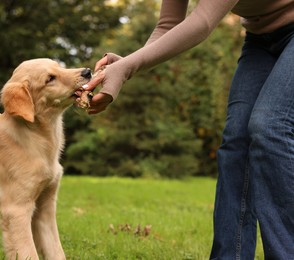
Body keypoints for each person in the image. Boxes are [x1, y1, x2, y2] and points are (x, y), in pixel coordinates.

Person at [81, 0, 294, 259]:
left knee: (270, 126)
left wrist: (125, 69)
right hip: (260, 38)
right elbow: (168, 25)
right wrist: (129, 63)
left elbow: (202, 22)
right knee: (236, 142)